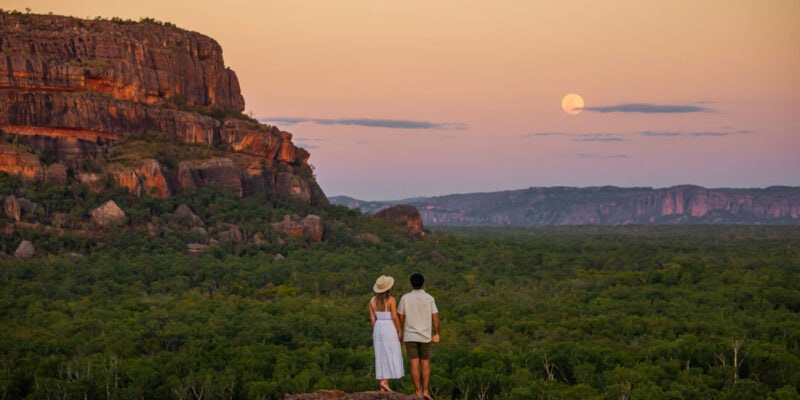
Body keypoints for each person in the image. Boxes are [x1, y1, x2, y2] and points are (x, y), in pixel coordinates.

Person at [398, 273, 439, 400]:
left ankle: (418, 392)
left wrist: (400, 333)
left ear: (411, 283)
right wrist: (437, 333)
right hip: (425, 336)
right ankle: (426, 391)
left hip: (410, 336)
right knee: (425, 364)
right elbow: (435, 316)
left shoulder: (405, 298)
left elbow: (400, 317)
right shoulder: (429, 298)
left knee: (414, 365)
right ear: (423, 283)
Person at [369, 275, 404, 392]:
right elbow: (394, 317)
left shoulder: (372, 301)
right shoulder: (391, 300)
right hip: (389, 327)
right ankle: (385, 382)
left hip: (378, 327)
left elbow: (372, 319)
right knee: (390, 352)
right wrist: (399, 331)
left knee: (381, 355)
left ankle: (382, 384)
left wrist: (377, 330)